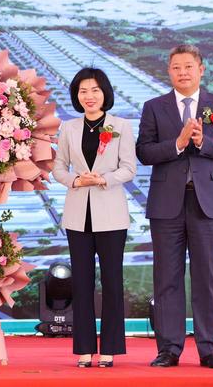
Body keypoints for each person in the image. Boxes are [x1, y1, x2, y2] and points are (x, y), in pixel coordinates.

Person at [137, 44, 213, 369]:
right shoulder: (155, 107)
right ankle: (169, 348)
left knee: (207, 278)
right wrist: (179, 144)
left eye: (188, 67)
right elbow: (145, 152)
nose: (182, 72)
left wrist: (201, 142)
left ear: (201, 69)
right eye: (176, 67)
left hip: (207, 205)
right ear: (168, 71)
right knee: (166, 278)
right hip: (167, 205)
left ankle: (210, 349)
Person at [53, 68, 136, 368]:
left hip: (111, 215)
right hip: (78, 216)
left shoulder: (121, 126)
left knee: (112, 283)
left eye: (95, 90)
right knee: (82, 283)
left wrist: (103, 179)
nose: (89, 96)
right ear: (77, 95)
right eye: (83, 91)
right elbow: (58, 168)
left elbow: (129, 167)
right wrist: (76, 181)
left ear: (105, 93)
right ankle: (85, 349)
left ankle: (111, 347)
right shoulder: (69, 128)